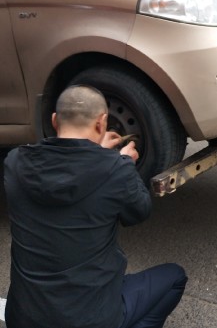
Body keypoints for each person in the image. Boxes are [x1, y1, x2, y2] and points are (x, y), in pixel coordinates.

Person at [3, 85, 188, 328]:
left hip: (24, 316)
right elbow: (140, 211)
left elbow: (64, 175)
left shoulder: (15, 162)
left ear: (55, 120)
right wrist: (124, 164)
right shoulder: (116, 170)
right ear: (102, 124)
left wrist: (99, 155)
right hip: (89, 319)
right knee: (174, 277)